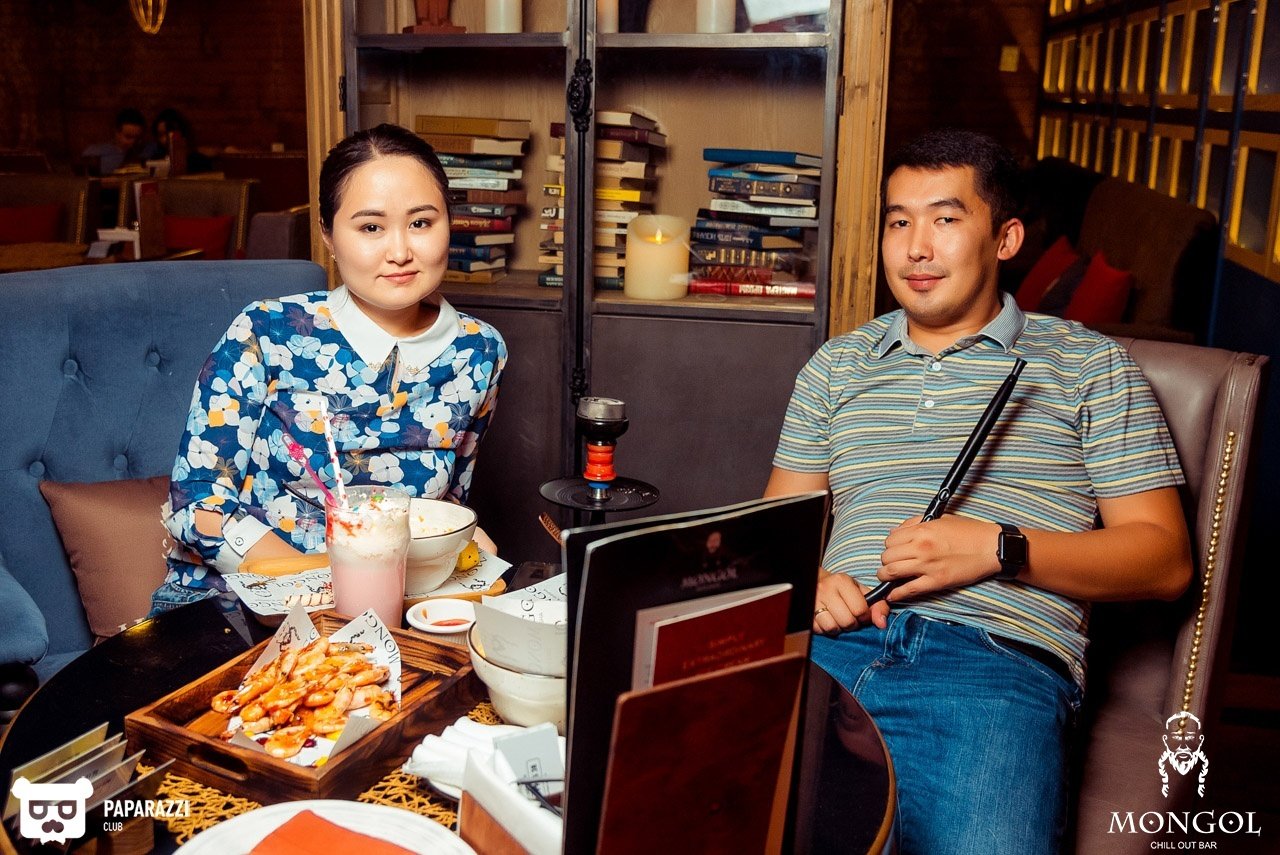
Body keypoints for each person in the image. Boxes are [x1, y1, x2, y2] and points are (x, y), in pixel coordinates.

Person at [765, 129, 1192, 854]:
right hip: (828, 651)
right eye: (898, 222)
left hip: (993, 663)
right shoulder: (835, 366)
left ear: (1006, 238)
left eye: (945, 219)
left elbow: (1165, 559)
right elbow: (774, 542)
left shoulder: (1089, 364)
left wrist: (1000, 548)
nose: (916, 248)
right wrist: (809, 580)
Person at [153, 123, 507, 612]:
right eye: (370, 228)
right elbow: (197, 503)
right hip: (230, 603)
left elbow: (444, 505)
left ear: (450, 221)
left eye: (422, 223)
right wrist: (324, 585)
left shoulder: (479, 350)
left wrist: (463, 544)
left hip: (394, 604)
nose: (400, 252)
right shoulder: (267, 331)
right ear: (328, 234)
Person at [81, 108, 149, 174]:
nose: (133, 142)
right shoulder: (95, 153)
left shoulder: (145, 152)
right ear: (117, 132)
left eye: (138, 138)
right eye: (128, 137)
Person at [151, 108, 214, 174]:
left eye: (168, 134)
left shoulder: (199, 161)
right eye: (160, 135)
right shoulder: (156, 160)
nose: (165, 139)